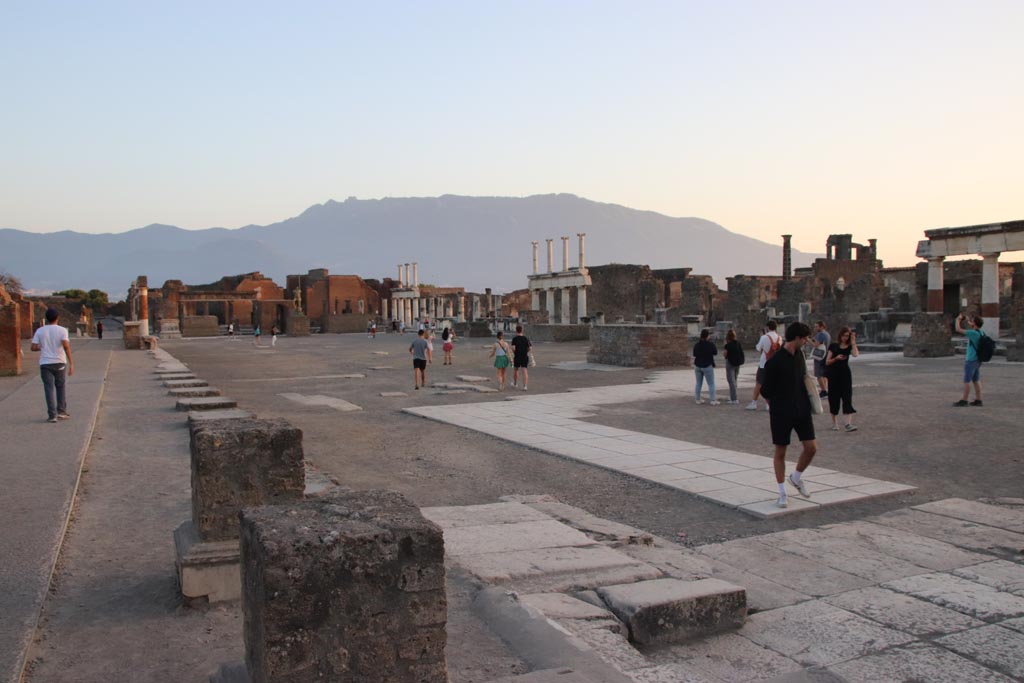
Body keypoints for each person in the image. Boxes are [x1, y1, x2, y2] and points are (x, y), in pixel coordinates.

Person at [759, 322, 817, 508]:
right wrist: (776, 407)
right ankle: (782, 492)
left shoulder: (800, 355)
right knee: (781, 452)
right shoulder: (775, 362)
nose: (807, 341)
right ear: (797, 338)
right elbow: (765, 390)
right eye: (805, 338)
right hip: (782, 412)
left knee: (811, 448)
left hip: (802, 409)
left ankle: (796, 477)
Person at [31, 308, 74, 423]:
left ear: (46, 318)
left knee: (48, 389)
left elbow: (33, 347)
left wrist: (43, 347)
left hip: (45, 363)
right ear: (57, 317)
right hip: (59, 362)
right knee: (60, 387)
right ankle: (61, 411)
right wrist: (71, 363)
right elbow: (66, 346)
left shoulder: (40, 331)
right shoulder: (62, 330)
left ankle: (52, 415)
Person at [825, 326, 859, 431]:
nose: (845, 337)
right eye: (844, 335)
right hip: (834, 375)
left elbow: (855, 354)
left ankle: (848, 424)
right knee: (834, 398)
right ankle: (835, 424)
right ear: (840, 335)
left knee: (847, 397)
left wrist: (853, 342)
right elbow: (827, 361)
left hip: (845, 375)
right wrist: (836, 358)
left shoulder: (849, 346)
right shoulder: (834, 346)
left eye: (847, 336)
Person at [746, 321, 781, 411]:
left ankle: (754, 402)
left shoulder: (764, 337)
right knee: (773, 384)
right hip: (775, 363)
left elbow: (758, 348)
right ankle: (769, 403)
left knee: (759, 383)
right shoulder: (779, 338)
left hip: (764, 363)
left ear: (768, 327)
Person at [954, 313, 985, 407]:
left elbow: (958, 329)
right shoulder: (981, 332)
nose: (971, 322)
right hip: (978, 360)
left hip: (971, 360)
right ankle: (979, 399)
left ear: (975, 324)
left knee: (967, 381)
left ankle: (964, 400)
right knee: (976, 380)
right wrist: (967, 321)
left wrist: (958, 320)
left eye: (972, 321)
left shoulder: (973, 333)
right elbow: (972, 326)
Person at [692, 328, 719, 405]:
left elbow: (694, 354)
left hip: (697, 365)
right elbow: (715, 352)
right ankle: (713, 400)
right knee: (711, 383)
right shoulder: (710, 345)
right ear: (707, 336)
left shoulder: (697, 345)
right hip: (707, 365)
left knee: (698, 383)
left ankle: (697, 399)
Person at [722, 329, 744, 404]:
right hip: (737, 363)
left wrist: (725, 345)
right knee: (735, 379)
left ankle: (734, 398)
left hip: (730, 363)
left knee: (731, 381)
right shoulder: (738, 343)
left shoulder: (728, 345)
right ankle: (733, 395)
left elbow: (725, 354)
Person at [510, 325, 532, 390]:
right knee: (524, 370)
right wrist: (525, 351)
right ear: (522, 330)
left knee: (516, 370)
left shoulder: (514, 339)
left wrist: (516, 352)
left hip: (517, 356)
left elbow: (513, 348)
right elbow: (530, 348)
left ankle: (515, 384)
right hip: (524, 356)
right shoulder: (526, 338)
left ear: (516, 331)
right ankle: (525, 386)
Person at [813, 321, 831, 397]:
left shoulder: (820, 334)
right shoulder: (827, 334)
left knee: (818, 375)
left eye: (817, 326)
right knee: (824, 374)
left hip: (819, 356)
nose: (815, 328)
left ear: (821, 327)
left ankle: (823, 390)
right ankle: (825, 389)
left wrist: (808, 341)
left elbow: (816, 345)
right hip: (826, 354)